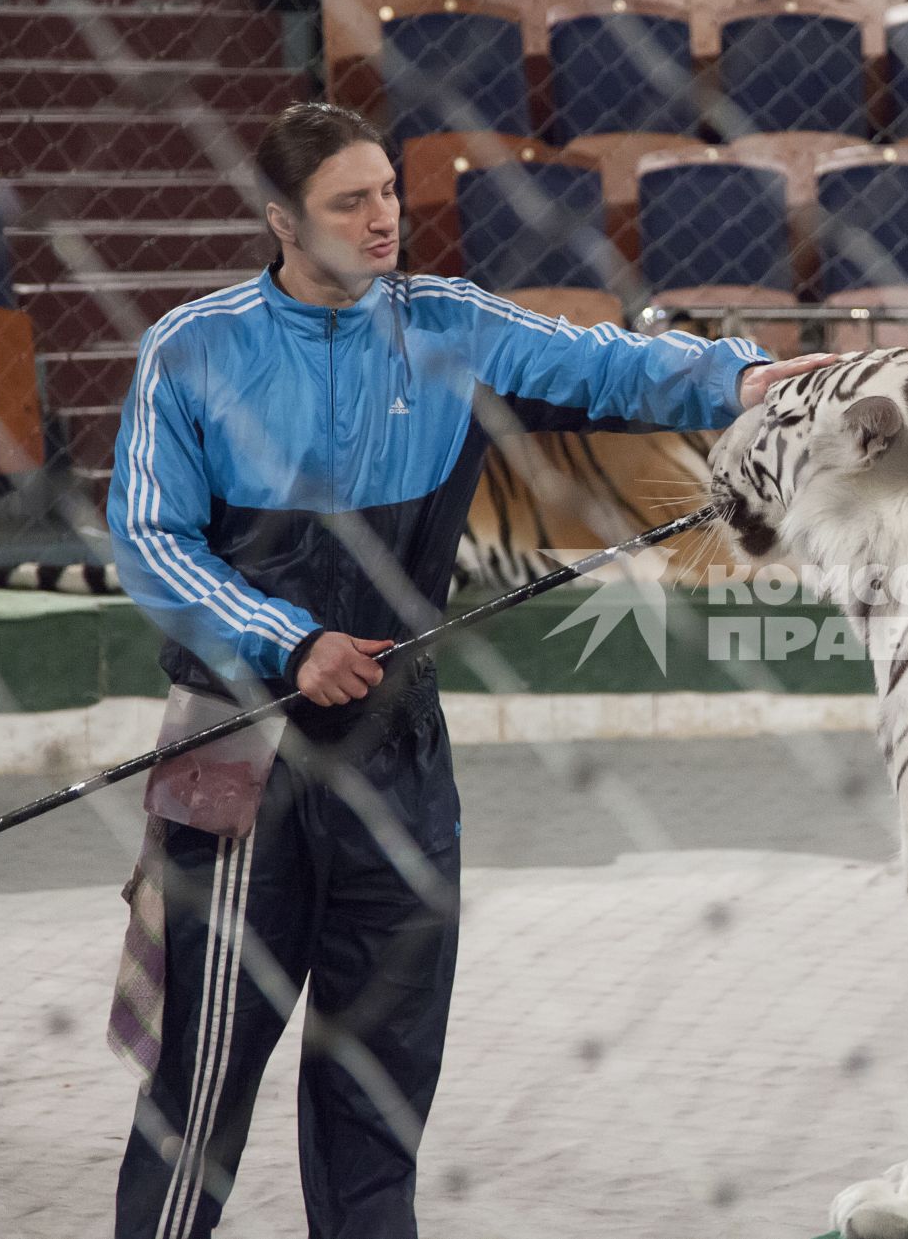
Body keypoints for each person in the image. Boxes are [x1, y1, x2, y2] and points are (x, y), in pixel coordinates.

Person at [106, 101, 834, 1238]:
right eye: (351, 201)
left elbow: (603, 365)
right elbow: (150, 542)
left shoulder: (445, 324)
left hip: (398, 762)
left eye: (389, 190)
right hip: (243, 757)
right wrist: (286, 638)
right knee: (199, 1098)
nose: (385, 217)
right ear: (281, 222)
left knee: (379, 1099)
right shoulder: (191, 349)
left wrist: (742, 382)